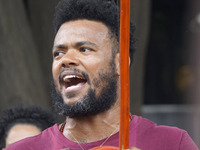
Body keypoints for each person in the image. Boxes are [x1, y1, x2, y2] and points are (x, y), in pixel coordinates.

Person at [5, 0, 199, 149]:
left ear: (120, 64)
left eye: (84, 49)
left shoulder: (173, 143)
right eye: (59, 53)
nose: (66, 59)